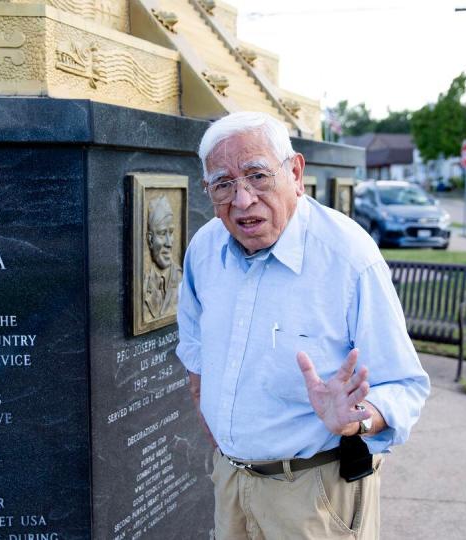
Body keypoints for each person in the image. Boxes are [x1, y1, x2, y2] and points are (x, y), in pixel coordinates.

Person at [176, 111, 430, 539]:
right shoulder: (204, 249)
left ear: (294, 172)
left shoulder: (349, 258)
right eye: (223, 183)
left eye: (257, 176)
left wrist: (354, 420)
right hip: (230, 483)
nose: (242, 200)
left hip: (316, 495)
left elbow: (405, 386)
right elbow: (196, 353)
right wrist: (223, 442)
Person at [143, 195, 182, 322]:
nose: (169, 243)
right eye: (161, 233)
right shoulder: (143, 283)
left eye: (170, 233)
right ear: (150, 240)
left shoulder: (182, 279)